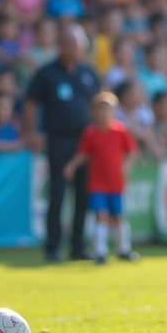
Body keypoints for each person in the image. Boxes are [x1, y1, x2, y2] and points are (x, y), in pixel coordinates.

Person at [24, 23, 101, 262]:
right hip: (58, 140)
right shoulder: (46, 72)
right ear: (60, 45)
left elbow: (99, 106)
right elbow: (30, 103)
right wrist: (32, 131)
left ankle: (78, 247)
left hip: (86, 142)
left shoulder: (89, 73)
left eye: (79, 44)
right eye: (70, 43)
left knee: (83, 196)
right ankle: (53, 247)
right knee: (57, 194)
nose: (75, 48)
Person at [61, 92, 139, 265]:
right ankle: (101, 252)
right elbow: (83, 153)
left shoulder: (120, 131)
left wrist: (126, 166)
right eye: (101, 110)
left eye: (108, 110)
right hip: (97, 183)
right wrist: (72, 165)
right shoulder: (90, 133)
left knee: (118, 216)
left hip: (116, 183)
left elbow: (132, 152)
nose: (104, 114)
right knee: (101, 215)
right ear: (94, 112)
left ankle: (123, 249)